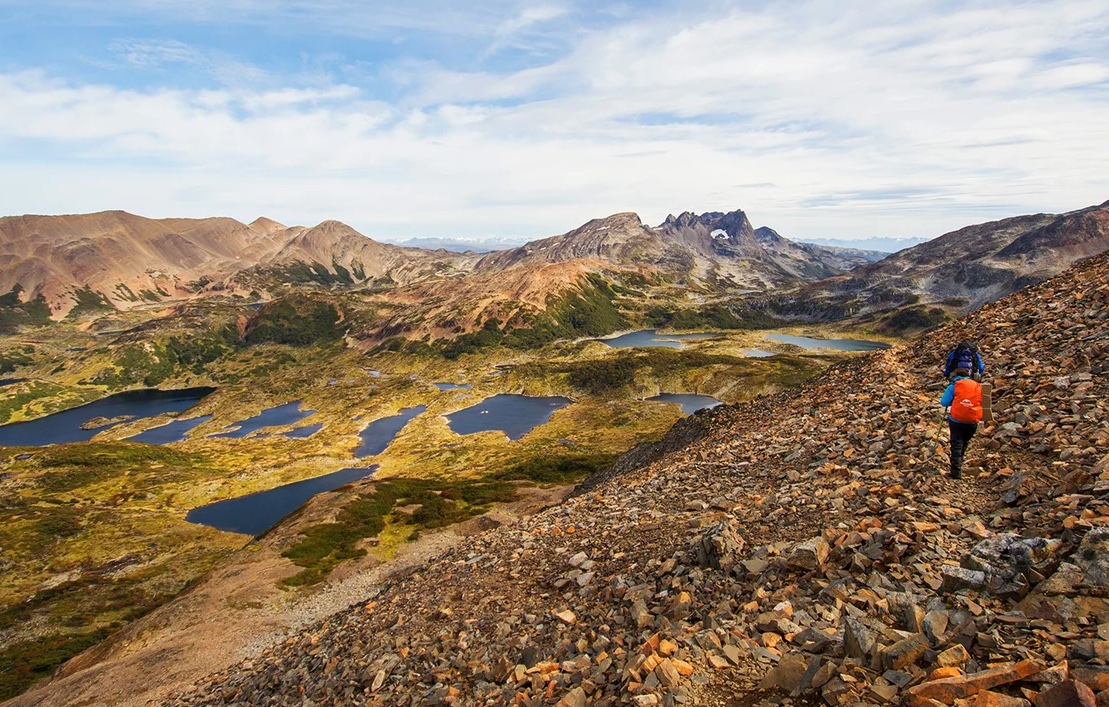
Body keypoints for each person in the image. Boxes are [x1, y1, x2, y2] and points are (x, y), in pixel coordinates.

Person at [940, 367, 983, 479]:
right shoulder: (977, 385)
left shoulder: (954, 386)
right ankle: (959, 462)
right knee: (964, 442)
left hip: (957, 420)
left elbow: (944, 402)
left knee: (956, 444)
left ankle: (955, 472)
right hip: (973, 420)